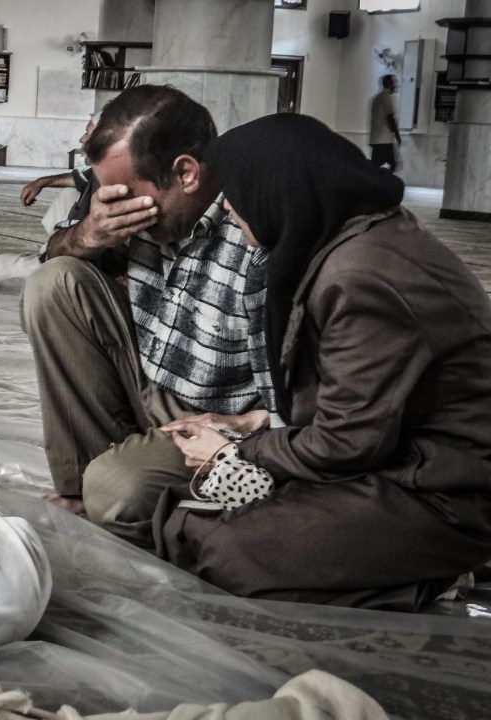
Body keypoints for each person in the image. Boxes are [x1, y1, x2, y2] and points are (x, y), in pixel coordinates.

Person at [159, 113, 491, 611]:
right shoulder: (355, 240)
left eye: (236, 189)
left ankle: (440, 573)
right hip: (407, 462)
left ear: (277, 190)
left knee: (222, 551)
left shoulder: (361, 275)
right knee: (193, 521)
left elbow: (347, 442)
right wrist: (252, 425)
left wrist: (242, 454)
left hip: (447, 494)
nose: (226, 205)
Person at [20, 85, 273, 547]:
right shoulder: (132, 215)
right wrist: (87, 235)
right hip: (154, 379)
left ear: (185, 173)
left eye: (127, 195)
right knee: (55, 282)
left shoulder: (253, 228)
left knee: (116, 493)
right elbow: (50, 256)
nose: (116, 207)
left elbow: (301, 411)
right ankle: (82, 486)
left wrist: (242, 430)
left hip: (215, 421)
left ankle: (117, 491)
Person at [369, 74, 401, 173]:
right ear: (388, 84)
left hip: (375, 139)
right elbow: (390, 117)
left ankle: (376, 183)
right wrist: (397, 135)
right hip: (384, 139)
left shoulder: (375, 98)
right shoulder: (387, 97)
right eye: (393, 83)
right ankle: (385, 184)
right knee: (391, 165)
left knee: (376, 166)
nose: (395, 85)